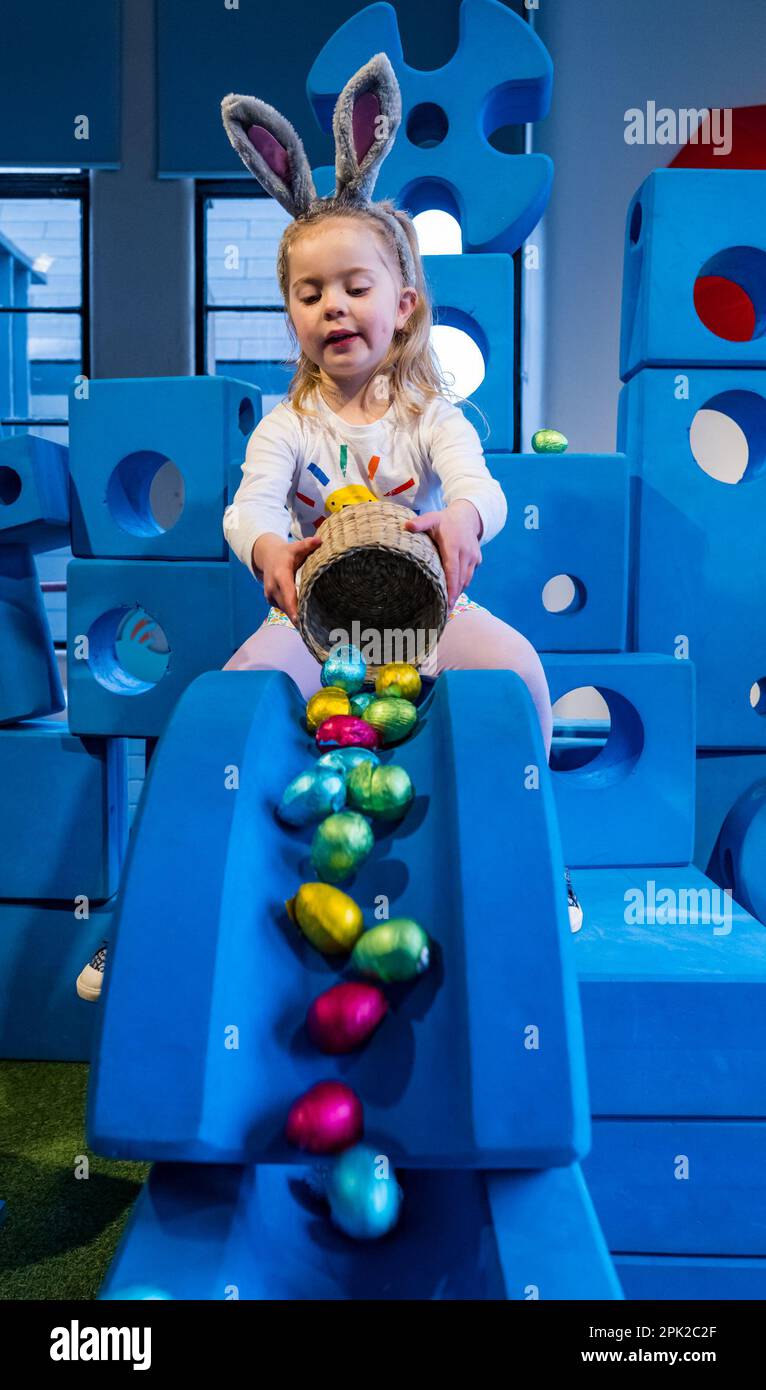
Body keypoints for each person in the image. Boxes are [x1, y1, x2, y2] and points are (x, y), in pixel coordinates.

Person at [75, 52, 581, 1005]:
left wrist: (464, 516)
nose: (333, 307)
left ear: (405, 304)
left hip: (425, 613)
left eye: (354, 286)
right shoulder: (289, 423)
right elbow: (251, 506)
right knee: (220, 713)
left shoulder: (432, 414)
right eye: (310, 295)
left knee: (519, 671)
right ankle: (139, 914)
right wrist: (270, 549)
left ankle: (540, 866)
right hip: (312, 620)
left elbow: (480, 483)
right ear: (291, 316)